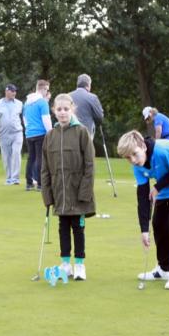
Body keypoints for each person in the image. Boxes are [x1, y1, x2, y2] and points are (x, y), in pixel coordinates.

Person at [117, 131, 169, 290]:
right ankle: (163, 268)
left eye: (135, 154)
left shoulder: (162, 150)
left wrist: (158, 187)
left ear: (143, 146)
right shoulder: (137, 167)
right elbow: (142, 197)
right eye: (128, 158)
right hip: (165, 184)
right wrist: (144, 230)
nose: (133, 160)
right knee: (158, 223)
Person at [40, 93, 95, 281]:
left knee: (78, 228)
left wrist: (85, 192)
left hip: (78, 192)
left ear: (72, 110)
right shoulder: (50, 136)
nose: (62, 112)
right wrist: (47, 194)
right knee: (63, 227)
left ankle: (79, 265)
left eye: (66, 109)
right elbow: (45, 168)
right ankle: (65, 264)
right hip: (59, 192)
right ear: (54, 111)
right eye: (59, 109)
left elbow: (89, 165)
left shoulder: (82, 132)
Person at [0, 83, 24, 185]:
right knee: (6, 157)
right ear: (6, 91)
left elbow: (25, 118)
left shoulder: (20, 104)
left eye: (15, 91)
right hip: (4, 135)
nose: (14, 93)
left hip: (17, 133)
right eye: (12, 91)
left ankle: (15, 178)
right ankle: (9, 178)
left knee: (16, 153)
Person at [23, 80, 52, 191]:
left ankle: (29, 183)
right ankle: (40, 184)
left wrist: (29, 129)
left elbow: (25, 119)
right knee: (40, 158)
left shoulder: (27, 103)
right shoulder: (42, 102)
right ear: (43, 89)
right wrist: (50, 132)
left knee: (31, 158)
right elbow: (46, 119)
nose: (47, 92)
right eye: (47, 90)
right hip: (40, 133)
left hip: (29, 134)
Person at [70, 74, 104, 138]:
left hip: (70, 132)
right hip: (86, 133)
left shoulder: (68, 96)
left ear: (77, 84)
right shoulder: (92, 97)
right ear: (88, 85)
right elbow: (99, 117)